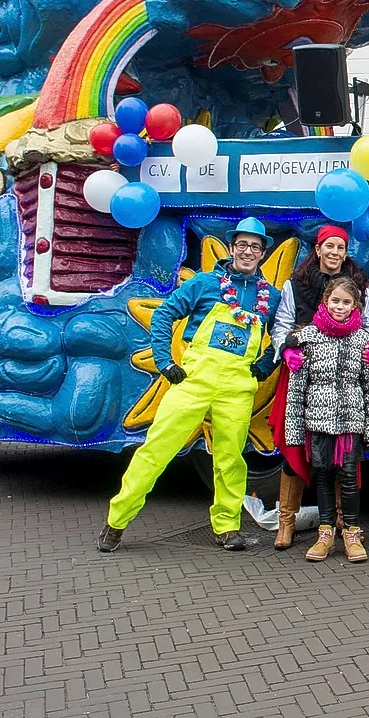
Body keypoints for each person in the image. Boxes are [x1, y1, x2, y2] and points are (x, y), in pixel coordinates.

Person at [96, 218, 283, 553]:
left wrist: (263, 366)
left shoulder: (270, 296)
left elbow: (282, 336)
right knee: (156, 450)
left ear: (263, 253)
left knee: (230, 459)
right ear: (231, 247)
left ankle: (227, 527)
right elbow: (165, 314)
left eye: (255, 246)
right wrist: (165, 361)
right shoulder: (205, 284)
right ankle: (116, 521)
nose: (248, 251)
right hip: (193, 381)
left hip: (238, 388)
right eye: (242, 244)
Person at [269, 224, 369, 551]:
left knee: (344, 455)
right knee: (293, 448)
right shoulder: (295, 285)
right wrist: (287, 349)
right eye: (328, 246)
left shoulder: (360, 287)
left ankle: (344, 522)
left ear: (345, 252)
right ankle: (286, 520)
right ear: (317, 249)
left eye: (340, 248)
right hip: (302, 370)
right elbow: (282, 326)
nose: (334, 253)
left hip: (345, 374)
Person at [279, 276, 369, 563]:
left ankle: (351, 532)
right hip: (318, 421)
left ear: (356, 306)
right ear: (325, 301)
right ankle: (325, 533)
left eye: (346, 302)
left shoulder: (364, 340)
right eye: (335, 300)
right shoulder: (307, 338)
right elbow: (297, 389)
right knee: (323, 477)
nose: (340, 306)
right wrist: (294, 432)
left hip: (352, 422)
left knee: (349, 478)